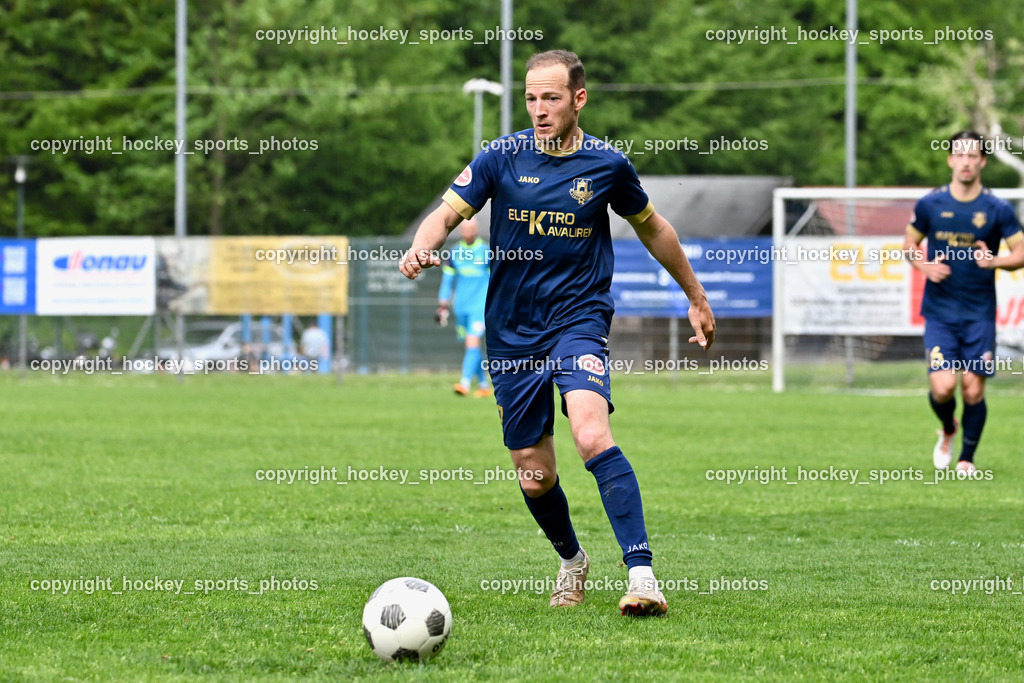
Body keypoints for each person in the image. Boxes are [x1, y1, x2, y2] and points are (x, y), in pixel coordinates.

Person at [400, 49, 715, 616]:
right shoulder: (501, 157)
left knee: (592, 434)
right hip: (511, 331)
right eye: (531, 98)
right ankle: (572, 561)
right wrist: (425, 245)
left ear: (578, 99)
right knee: (534, 471)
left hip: (577, 319)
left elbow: (654, 228)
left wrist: (695, 294)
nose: (539, 110)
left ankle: (642, 575)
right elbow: (445, 214)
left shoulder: (607, 165)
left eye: (551, 98)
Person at [903, 130, 1023, 473]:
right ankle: (948, 428)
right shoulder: (930, 204)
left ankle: (967, 458)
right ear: (950, 159)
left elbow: (1021, 252)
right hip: (940, 312)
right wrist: (924, 264)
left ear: (982, 161)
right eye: (960, 154)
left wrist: (995, 261)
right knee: (943, 388)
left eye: (973, 156)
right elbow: (909, 245)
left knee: (972, 390)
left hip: (979, 313)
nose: (966, 162)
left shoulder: (997, 209)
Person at [438, 219, 492, 397]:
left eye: (471, 229)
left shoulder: (486, 251)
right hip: (461, 307)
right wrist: (443, 303)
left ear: (476, 230)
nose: (467, 232)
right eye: (464, 228)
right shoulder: (454, 253)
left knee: (472, 343)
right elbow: (447, 281)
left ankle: (465, 383)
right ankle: (483, 385)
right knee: (471, 347)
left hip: (479, 306)